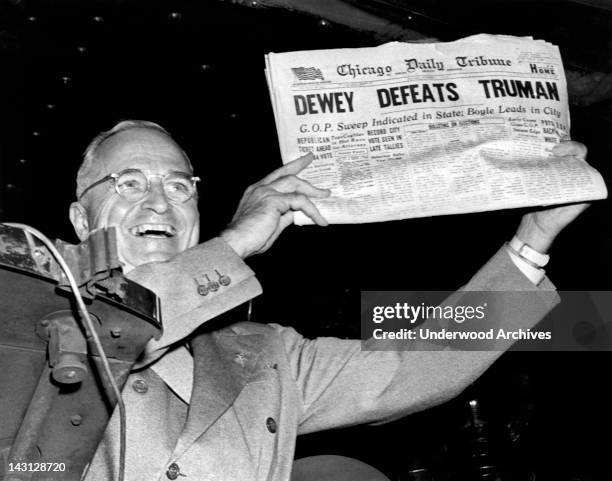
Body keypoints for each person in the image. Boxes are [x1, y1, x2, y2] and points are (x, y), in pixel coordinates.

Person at [69, 120, 588, 481]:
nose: (159, 201)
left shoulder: (260, 355)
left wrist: (531, 241)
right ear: (80, 220)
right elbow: (114, 334)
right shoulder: (29, 306)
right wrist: (230, 247)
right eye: (128, 183)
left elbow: (413, 366)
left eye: (180, 187)